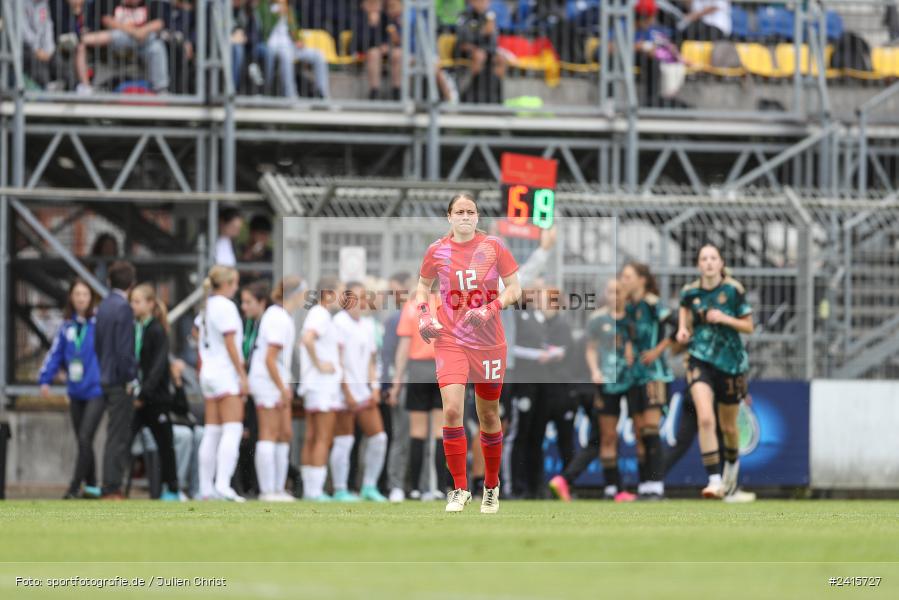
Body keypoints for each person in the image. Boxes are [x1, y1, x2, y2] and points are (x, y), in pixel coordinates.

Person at [415, 192, 521, 513]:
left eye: (470, 211)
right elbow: (423, 287)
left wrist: (491, 308)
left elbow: (515, 289)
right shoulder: (437, 250)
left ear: (477, 217)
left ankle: (490, 486)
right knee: (451, 411)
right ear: (449, 217)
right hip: (450, 339)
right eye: (459, 211)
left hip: (489, 341)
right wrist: (424, 314)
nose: (465, 216)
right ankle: (459, 488)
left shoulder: (494, 247)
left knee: (488, 414)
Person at [677, 243, 755, 502]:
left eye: (713, 258)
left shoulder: (733, 290)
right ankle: (713, 480)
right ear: (698, 264)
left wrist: (724, 319)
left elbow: (749, 327)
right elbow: (684, 309)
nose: (708, 263)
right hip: (700, 360)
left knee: (729, 428)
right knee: (706, 419)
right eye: (703, 259)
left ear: (721, 263)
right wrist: (683, 329)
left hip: (730, 364)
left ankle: (731, 469)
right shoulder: (690, 291)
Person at [549, 279, 637, 502]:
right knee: (602, 437)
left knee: (603, 437)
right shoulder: (597, 324)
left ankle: (611, 488)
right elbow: (591, 355)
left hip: (589, 388)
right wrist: (595, 375)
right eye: (610, 291)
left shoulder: (617, 322)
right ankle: (567, 479)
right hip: (593, 389)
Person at [38, 278, 103, 499]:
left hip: (96, 390)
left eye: (85, 294)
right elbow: (55, 355)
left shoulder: (99, 325)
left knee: (85, 436)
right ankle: (93, 485)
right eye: (77, 294)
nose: (81, 299)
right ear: (72, 298)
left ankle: (74, 487)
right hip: (75, 391)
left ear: (91, 298)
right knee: (83, 440)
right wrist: (45, 379)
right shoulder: (67, 327)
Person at [331, 281, 389, 502]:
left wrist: (373, 387)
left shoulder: (367, 325)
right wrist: (346, 392)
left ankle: (369, 487)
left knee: (379, 438)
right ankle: (339, 490)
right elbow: (337, 360)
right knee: (344, 441)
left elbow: (371, 362)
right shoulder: (338, 323)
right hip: (343, 392)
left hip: (363, 391)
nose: (361, 302)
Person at [620, 262, 673, 500]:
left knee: (651, 430)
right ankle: (644, 486)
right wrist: (629, 348)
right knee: (640, 432)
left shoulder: (653, 303)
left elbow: (676, 327)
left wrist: (657, 350)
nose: (624, 280)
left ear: (642, 279)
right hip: (635, 377)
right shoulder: (629, 307)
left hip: (655, 374)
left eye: (628, 276)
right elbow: (627, 334)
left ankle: (656, 485)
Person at [390, 281, 446, 502]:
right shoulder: (449, 305)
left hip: (417, 370)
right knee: (441, 433)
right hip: (442, 368)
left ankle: (414, 489)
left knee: (417, 432)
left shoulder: (413, 305)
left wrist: (396, 382)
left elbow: (403, 348)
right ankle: (440, 488)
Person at [196, 266, 248, 502]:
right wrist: (242, 374)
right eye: (235, 283)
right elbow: (231, 343)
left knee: (212, 430)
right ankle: (223, 485)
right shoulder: (226, 306)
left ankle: (206, 489)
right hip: (225, 373)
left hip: (208, 372)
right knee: (233, 428)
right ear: (227, 284)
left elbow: (196, 334)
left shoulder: (207, 305)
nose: (236, 287)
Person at [246, 280, 298, 502]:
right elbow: (270, 359)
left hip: (276, 380)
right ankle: (268, 491)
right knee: (269, 433)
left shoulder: (280, 316)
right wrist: (282, 387)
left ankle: (278, 488)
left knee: (284, 433)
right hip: (267, 382)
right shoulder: (277, 317)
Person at [129, 283, 181, 501]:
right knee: (123, 439)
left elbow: (159, 367)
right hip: (138, 397)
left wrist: (143, 395)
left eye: (138, 301)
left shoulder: (157, 330)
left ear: (150, 304)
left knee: (164, 444)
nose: (133, 305)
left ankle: (172, 489)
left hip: (155, 399)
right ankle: (113, 485)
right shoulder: (136, 328)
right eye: (132, 301)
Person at [94, 261, 139, 500]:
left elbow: (98, 344)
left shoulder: (103, 305)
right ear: (132, 284)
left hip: (104, 376)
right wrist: (131, 377)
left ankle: (109, 484)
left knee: (112, 433)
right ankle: (112, 487)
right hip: (119, 380)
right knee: (118, 435)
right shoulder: (123, 308)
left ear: (110, 281)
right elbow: (125, 350)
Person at [298, 276, 344, 501]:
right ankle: (315, 491)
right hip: (322, 385)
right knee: (322, 437)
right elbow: (307, 339)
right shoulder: (321, 314)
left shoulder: (317, 314)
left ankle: (309, 489)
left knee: (312, 436)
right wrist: (320, 365)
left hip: (314, 385)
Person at [78, 0, 170, 94]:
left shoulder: (151, 3)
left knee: (156, 47)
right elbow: (107, 20)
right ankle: (86, 87)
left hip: (143, 45)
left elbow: (159, 23)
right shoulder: (111, 2)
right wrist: (134, 32)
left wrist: (142, 31)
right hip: (114, 44)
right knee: (119, 35)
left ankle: (160, 89)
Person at [256, 0, 331, 98]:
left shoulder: (289, 9)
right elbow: (265, 28)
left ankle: (323, 94)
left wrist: (299, 40)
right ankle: (291, 96)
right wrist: (277, 14)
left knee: (319, 55)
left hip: (290, 46)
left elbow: (295, 29)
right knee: (287, 56)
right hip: (273, 46)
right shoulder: (264, 6)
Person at [455, 0, 506, 103]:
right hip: (465, 51)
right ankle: (464, 92)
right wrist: (482, 32)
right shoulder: (465, 16)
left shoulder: (489, 18)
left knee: (501, 59)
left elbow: (493, 43)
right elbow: (463, 39)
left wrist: (491, 33)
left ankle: (495, 96)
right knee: (479, 56)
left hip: (485, 51)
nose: (483, 3)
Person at [23, 0, 57, 89]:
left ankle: (70, 87)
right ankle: (46, 86)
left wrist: (49, 50)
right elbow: (23, 30)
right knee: (33, 60)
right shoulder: (20, 3)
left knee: (57, 58)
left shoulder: (44, 3)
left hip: (42, 47)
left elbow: (48, 25)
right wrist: (37, 49)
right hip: (26, 45)